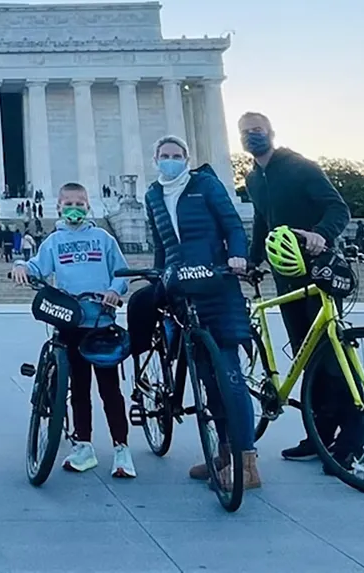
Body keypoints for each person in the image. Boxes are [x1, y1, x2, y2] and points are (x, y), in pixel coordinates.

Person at [240, 111, 362, 470]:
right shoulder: (253, 179)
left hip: (318, 269)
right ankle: (320, 435)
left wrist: (321, 234)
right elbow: (263, 221)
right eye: (246, 132)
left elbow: (338, 208)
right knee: (306, 356)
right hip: (286, 275)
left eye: (258, 130)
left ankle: (353, 441)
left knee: (334, 357)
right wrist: (252, 260)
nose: (253, 136)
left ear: (272, 132)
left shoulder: (300, 167)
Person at [142, 134, 260, 489]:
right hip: (183, 289)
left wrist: (238, 256)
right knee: (207, 379)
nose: (171, 160)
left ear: (187, 158)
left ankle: (247, 464)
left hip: (218, 284)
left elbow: (232, 225)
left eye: (177, 155)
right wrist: (157, 277)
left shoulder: (205, 184)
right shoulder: (153, 195)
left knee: (230, 376)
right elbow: (162, 243)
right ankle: (223, 454)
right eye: (165, 155)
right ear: (155, 159)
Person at [11, 183, 135, 477]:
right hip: (71, 322)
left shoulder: (103, 238)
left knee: (110, 390)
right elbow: (36, 267)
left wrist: (114, 291)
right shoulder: (53, 242)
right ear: (59, 206)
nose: (74, 207)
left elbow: (122, 273)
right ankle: (84, 445)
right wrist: (20, 266)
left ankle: (122, 448)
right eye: (68, 202)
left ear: (88, 204)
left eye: (79, 202)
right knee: (78, 389)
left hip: (101, 322)